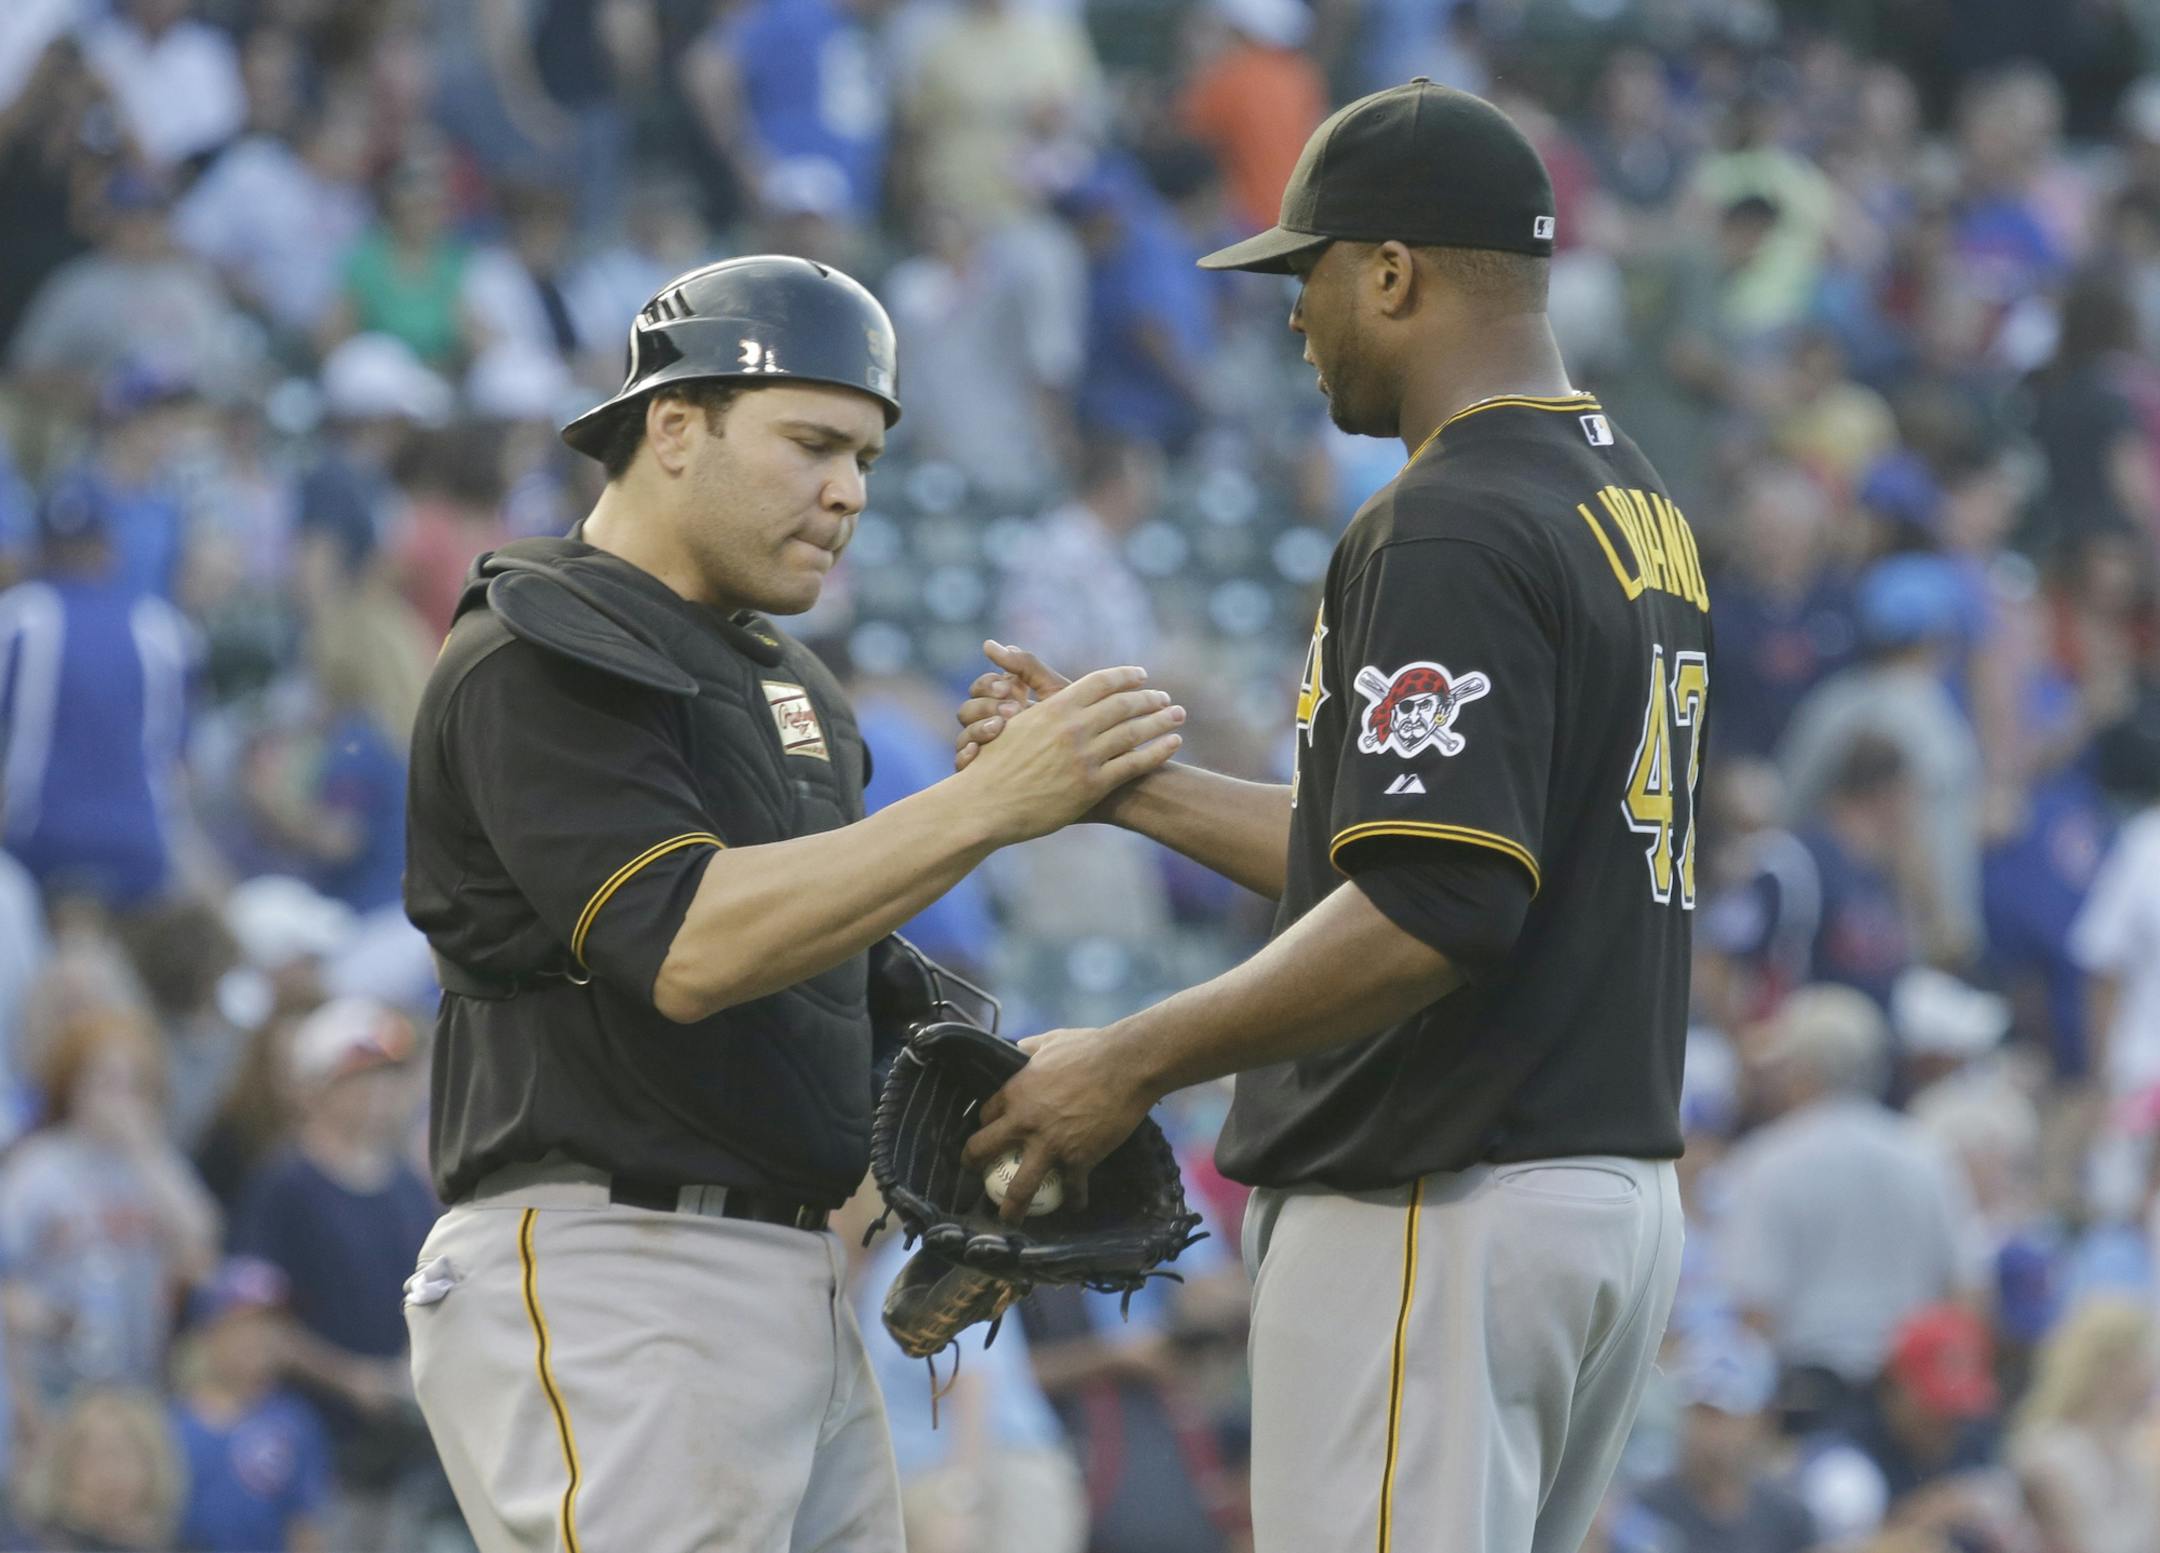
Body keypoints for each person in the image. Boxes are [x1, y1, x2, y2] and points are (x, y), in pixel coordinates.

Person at [957, 82, 1704, 1552]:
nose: (1293, 314)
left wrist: (1129, 1056)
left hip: (1443, 1185)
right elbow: (1415, 842)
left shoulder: (1450, 514)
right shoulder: (1625, 499)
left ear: (1393, 270)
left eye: (1307, 272)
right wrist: (1131, 787)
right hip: (1588, 1188)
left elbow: (1434, 907)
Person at [398, 254, 1186, 1552]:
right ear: (672, 426)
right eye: (812, 441)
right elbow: (691, 944)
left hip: (795, 1279)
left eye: (867, 457)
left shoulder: (795, 686)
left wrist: (1003, 1105)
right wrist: (987, 806)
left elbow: (830, 984)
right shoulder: (539, 645)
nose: (848, 492)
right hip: (618, 1266)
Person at [1717, 987, 1983, 1426]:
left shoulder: (1767, 1162)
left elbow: (1754, 1310)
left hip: (1808, 1398)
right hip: (1914, 1396)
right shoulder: (1925, 1154)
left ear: (1804, 1070)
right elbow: (1966, 1290)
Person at [167, 1257, 335, 1553]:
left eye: (271, 1326)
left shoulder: (294, 1422)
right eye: (243, 1326)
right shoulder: (170, 1422)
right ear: (208, 1333)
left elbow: (306, 1529)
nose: (259, 1339)